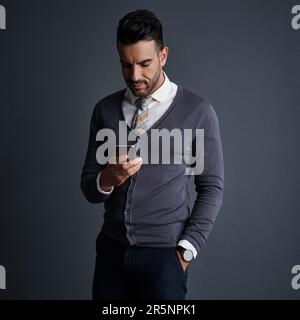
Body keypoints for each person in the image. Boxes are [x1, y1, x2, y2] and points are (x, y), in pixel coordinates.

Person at [80, 9, 224, 300]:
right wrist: (108, 178)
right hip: (111, 254)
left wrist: (186, 251)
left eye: (145, 64)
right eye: (125, 64)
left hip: (165, 259)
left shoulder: (197, 112)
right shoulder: (105, 110)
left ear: (163, 56)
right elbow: (90, 188)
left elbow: (211, 188)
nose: (135, 75)